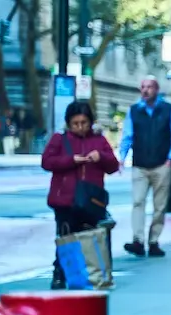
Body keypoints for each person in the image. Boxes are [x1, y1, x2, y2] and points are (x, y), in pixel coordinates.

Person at [42, 101, 120, 290]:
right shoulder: (59, 139)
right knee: (66, 237)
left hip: (91, 200)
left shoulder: (99, 141)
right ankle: (60, 273)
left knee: (91, 237)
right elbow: (47, 162)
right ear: (68, 123)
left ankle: (90, 274)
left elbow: (113, 166)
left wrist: (101, 157)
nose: (80, 127)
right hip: (65, 200)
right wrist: (71, 160)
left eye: (84, 123)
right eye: (75, 123)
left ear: (90, 122)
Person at [118, 76, 171, 258]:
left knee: (159, 206)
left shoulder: (169, 109)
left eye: (149, 87)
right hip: (140, 165)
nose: (145, 90)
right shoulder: (134, 111)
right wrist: (122, 157)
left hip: (162, 164)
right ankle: (138, 241)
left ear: (156, 89)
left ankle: (154, 241)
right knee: (138, 202)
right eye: (143, 87)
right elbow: (128, 135)